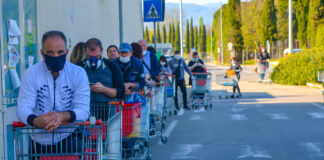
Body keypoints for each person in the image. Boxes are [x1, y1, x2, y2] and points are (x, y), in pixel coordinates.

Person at [16, 31, 90, 156]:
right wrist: (36, 120)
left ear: (67, 52)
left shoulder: (78, 73)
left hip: (69, 139)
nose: (55, 56)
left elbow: (83, 110)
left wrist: (62, 116)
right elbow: (23, 108)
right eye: (50, 52)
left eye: (60, 52)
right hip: (38, 142)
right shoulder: (31, 73)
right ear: (42, 53)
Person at [77, 38, 125, 107]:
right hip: (84, 110)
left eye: (97, 56)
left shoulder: (112, 66)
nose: (93, 60)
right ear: (85, 52)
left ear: (102, 51)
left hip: (108, 112)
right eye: (90, 57)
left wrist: (103, 89)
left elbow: (121, 92)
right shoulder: (78, 67)